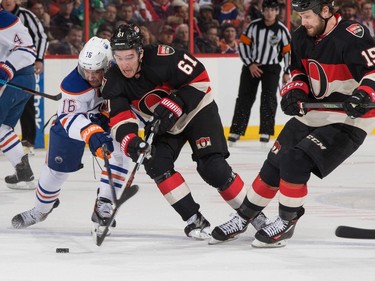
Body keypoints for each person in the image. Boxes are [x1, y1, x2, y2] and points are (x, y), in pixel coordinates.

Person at [211, 0, 375, 247]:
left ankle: (287, 219)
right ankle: (245, 216)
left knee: (295, 160)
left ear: (326, 11)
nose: (303, 22)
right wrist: (295, 93)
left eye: (307, 16)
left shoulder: (353, 35)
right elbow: (298, 71)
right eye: (300, 16)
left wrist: (364, 94)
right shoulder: (301, 36)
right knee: (273, 163)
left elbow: (373, 72)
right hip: (313, 113)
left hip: (347, 119)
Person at [101, 23, 268, 240]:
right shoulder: (113, 79)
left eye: (129, 57)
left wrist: (176, 102)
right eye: (119, 57)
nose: (124, 64)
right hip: (165, 123)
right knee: (155, 163)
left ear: (140, 52)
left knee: (212, 168)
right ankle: (194, 219)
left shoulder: (163, 57)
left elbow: (200, 79)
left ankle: (254, 216)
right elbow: (119, 120)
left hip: (197, 110)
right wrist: (132, 143)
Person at [11, 37, 130, 236]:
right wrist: (92, 134)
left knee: (121, 154)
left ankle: (104, 204)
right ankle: (41, 210)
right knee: (55, 172)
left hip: (107, 122)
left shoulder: (122, 73)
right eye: (86, 70)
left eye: (96, 71)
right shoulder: (73, 83)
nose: (90, 76)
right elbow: (69, 118)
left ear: (108, 66)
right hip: (72, 126)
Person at [227, 0, 291, 146]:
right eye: (267, 10)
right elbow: (243, 45)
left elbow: (288, 53)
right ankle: (236, 131)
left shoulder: (282, 30)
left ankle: (266, 132)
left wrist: (287, 71)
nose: (269, 13)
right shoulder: (253, 26)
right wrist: (250, 64)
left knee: (268, 99)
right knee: (244, 98)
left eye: (272, 10)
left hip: (272, 69)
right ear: (263, 11)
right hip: (252, 67)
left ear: (277, 12)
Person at [2, 0, 48, 156]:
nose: (7, 1)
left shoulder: (25, 15)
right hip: (10, 68)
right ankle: (20, 163)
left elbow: (40, 37)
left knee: (26, 103)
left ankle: (28, 140)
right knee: (5, 124)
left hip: (23, 66)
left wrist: (39, 59)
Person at [0, 5, 37, 190]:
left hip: (17, 81)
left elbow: (27, 49)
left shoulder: (4, 19)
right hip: (21, 82)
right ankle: (23, 171)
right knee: (3, 128)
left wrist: (5, 71)